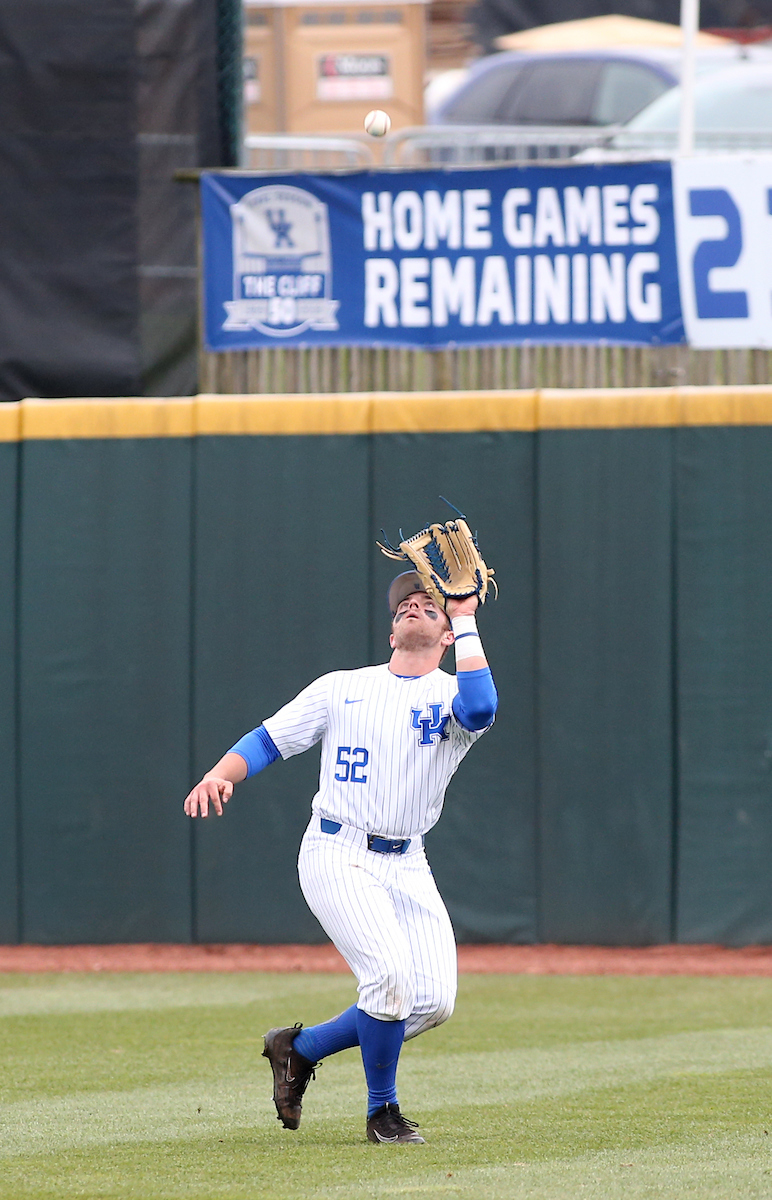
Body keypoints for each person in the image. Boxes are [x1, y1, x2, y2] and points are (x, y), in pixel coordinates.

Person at [184, 570, 498, 1144]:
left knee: (430, 1001)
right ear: (390, 632)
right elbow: (268, 739)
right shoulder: (341, 687)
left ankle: (299, 1050)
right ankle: (383, 1113)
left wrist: (467, 614)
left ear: (448, 634)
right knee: (388, 977)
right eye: (405, 602)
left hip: (407, 860)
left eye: (429, 604)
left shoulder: (452, 694)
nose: (414, 604)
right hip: (337, 847)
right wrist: (218, 774)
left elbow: (481, 709)